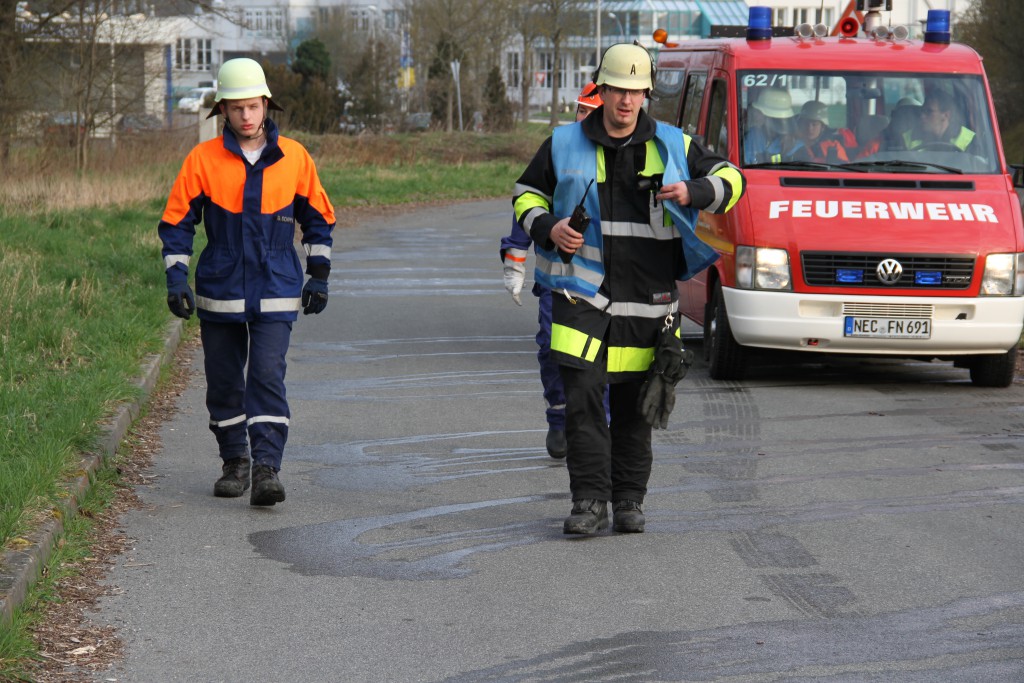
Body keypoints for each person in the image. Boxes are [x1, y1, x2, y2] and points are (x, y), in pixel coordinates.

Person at [513, 43, 746, 534]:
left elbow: (733, 179)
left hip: (649, 300)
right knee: (582, 401)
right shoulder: (562, 143)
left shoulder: (674, 146)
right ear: (602, 89)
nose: (626, 101)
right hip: (581, 296)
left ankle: (629, 501)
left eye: (636, 92)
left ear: (647, 94)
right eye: (618, 89)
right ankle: (589, 503)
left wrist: (695, 191)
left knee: (637, 408)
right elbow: (526, 195)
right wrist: (549, 227)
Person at [158, 58, 336, 506]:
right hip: (220, 287)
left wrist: (319, 276)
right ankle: (234, 460)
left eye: (253, 106)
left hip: (276, 283)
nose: (246, 116)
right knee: (223, 381)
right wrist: (175, 279)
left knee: (266, 375)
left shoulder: (294, 158)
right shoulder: (202, 160)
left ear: (266, 106)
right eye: (236, 108)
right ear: (223, 111)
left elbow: (319, 221)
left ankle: (266, 468)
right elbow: (177, 223)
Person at [501, 82, 604, 459]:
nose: (585, 119)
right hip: (558, 278)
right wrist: (514, 259)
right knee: (551, 348)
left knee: (604, 358)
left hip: (610, 283)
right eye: (581, 110)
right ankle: (559, 417)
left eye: (592, 112)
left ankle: (597, 428)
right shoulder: (559, 148)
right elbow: (529, 202)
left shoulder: (628, 152)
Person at [903, 89, 976, 152]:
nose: (922, 116)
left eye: (929, 111)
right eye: (922, 110)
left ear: (946, 115)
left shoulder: (969, 139)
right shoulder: (908, 137)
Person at [743, 87, 796, 163]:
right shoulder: (753, 135)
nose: (755, 114)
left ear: (772, 117)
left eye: (760, 111)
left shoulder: (795, 145)